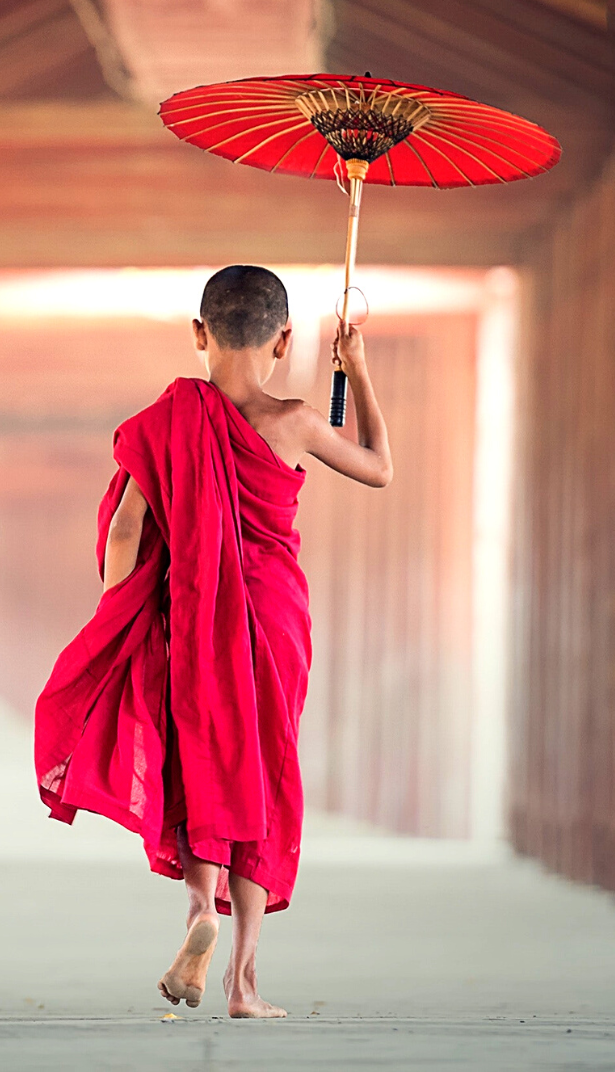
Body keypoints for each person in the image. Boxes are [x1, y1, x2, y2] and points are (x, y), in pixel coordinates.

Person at [33, 264, 393, 1019]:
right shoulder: (295, 420)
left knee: (201, 759)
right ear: (285, 338)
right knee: (262, 770)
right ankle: (244, 982)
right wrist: (356, 371)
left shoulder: (168, 418)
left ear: (199, 335)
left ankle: (199, 910)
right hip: (274, 619)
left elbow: (128, 526)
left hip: (191, 614)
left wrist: (119, 613)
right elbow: (378, 468)